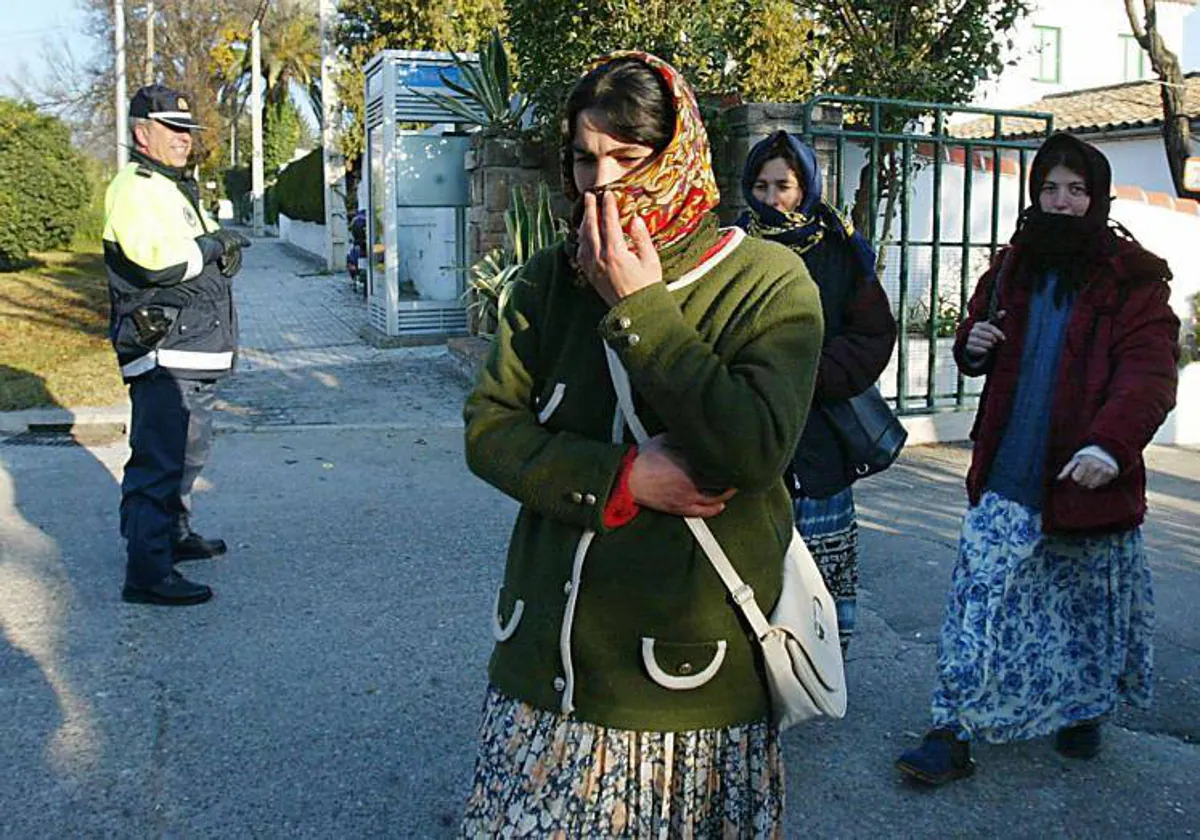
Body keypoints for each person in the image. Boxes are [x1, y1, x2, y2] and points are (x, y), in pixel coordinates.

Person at [459, 52, 824, 836]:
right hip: (542, 674)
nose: (603, 183)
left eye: (628, 158)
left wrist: (641, 305)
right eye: (587, 160)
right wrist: (623, 478)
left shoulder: (768, 281)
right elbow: (491, 430)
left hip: (686, 692)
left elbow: (752, 450)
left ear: (680, 153)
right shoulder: (543, 281)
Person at [895, 132, 1179, 784]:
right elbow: (977, 335)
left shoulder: (1135, 280)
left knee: (1081, 610)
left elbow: (1149, 372)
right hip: (1010, 471)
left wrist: (1109, 445)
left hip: (1090, 476)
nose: (1061, 201)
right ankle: (951, 730)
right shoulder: (1011, 268)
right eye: (1050, 187)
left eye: (1076, 189)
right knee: (979, 601)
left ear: (1097, 196)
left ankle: (1083, 709)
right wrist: (975, 343)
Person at [736, 131, 897, 652]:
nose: (771, 198)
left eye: (783, 185)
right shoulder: (733, 245)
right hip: (750, 430)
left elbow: (872, 335)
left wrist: (812, 374)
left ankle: (814, 664)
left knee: (817, 574)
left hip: (820, 437)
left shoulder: (840, 249)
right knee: (746, 567)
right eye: (760, 185)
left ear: (805, 186)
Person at [104, 84, 250, 606]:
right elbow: (158, 263)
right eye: (172, 129)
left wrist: (221, 248)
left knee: (188, 454)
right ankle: (146, 571)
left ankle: (172, 535)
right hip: (165, 349)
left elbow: (203, 247)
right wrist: (213, 246)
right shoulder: (136, 187)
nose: (184, 139)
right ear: (142, 133)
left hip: (195, 346)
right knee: (160, 459)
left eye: (187, 130)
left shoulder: (172, 186)